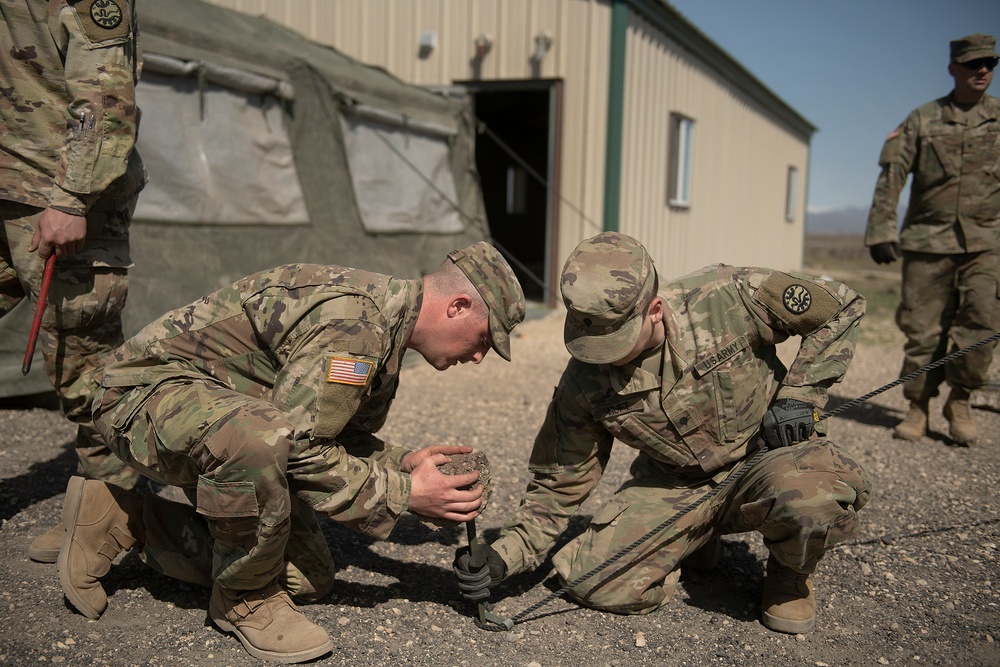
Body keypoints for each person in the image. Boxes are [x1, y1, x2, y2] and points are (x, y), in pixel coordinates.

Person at [58, 242, 525, 664]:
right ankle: (244, 599)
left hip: (218, 419)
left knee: (309, 578)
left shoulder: (385, 334)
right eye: (485, 338)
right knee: (260, 437)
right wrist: (405, 494)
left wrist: (402, 463)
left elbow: (331, 436)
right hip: (140, 399)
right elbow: (296, 444)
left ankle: (120, 518)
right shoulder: (356, 328)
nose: (480, 356)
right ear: (458, 306)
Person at [454, 232, 872, 635]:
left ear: (654, 309)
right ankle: (693, 539)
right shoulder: (582, 383)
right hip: (676, 485)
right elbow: (558, 484)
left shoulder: (728, 297)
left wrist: (799, 396)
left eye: (616, 341)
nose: (604, 360)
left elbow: (840, 306)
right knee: (590, 581)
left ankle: (790, 574)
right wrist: (502, 558)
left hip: (767, 458)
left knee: (811, 498)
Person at [0, 0, 146, 560]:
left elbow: (105, 90)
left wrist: (74, 195)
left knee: (82, 361)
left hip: (47, 190)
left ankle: (113, 514)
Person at [864, 33, 1000, 446]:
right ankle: (918, 405)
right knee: (922, 332)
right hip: (928, 241)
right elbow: (892, 175)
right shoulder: (923, 119)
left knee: (980, 327)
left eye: (990, 64)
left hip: (988, 241)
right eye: (974, 63)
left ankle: (960, 400)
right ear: (953, 68)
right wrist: (882, 228)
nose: (983, 71)